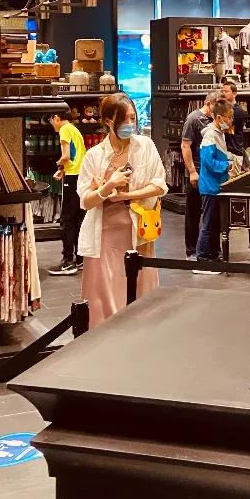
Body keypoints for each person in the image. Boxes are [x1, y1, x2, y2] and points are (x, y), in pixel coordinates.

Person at [77, 93, 167, 328]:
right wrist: (108, 186)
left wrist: (126, 195)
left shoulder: (145, 146)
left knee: (141, 291)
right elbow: (85, 201)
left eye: (133, 118)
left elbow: (160, 185)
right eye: (124, 119)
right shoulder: (94, 156)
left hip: (139, 231)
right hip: (104, 234)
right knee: (107, 294)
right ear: (109, 121)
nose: (130, 124)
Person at [48, 110, 87, 277]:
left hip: (72, 178)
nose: (52, 125)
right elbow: (76, 157)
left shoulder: (64, 129)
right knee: (78, 219)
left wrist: (58, 165)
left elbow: (66, 156)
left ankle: (67, 262)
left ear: (56, 118)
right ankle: (80, 259)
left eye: (51, 120)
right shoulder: (74, 129)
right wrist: (63, 169)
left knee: (67, 220)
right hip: (81, 176)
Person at [180, 90, 218, 259]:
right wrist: (192, 172)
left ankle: (211, 249)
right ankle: (191, 250)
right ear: (209, 103)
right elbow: (185, 146)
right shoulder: (193, 119)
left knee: (211, 213)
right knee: (193, 212)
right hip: (197, 170)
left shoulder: (214, 120)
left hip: (210, 173)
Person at [195, 98, 234, 264]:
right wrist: (226, 165)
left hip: (217, 186)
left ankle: (213, 252)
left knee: (215, 223)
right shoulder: (211, 135)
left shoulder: (219, 133)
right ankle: (203, 256)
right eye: (229, 117)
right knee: (209, 223)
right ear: (219, 117)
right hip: (210, 187)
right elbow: (208, 161)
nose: (230, 121)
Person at [220, 78, 247, 164]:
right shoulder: (225, 109)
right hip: (227, 152)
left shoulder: (237, 110)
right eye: (222, 91)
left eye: (226, 91)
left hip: (234, 153)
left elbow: (224, 127)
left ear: (234, 94)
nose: (223, 94)